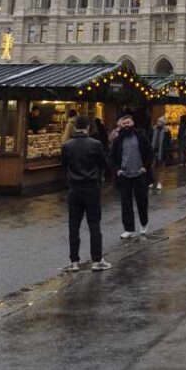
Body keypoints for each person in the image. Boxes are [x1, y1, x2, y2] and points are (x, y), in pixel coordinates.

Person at [61, 114, 111, 271]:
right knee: (94, 224)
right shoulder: (95, 144)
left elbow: (64, 165)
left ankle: (74, 261)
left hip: (74, 188)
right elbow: (104, 163)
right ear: (88, 127)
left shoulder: (67, 145)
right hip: (91, 187)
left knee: (73, 225)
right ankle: (97, 260)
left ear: (75, 127)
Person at [110, 114, 153, 238]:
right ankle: (129, 229)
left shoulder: (141, 136)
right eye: (124, 124)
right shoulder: (118, 139)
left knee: (142, 202)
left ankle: (144, 223)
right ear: (121, 125)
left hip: (139, 174)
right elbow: (112, 157)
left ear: (133, 123)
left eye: (128, 123)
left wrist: (145, 167)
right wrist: (117, 170)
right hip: (125, 175)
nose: (126, 125)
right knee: (126, 203)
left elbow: (150, 152)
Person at [151, 116, 172, 190]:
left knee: (161, 168)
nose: (158, 123)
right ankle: (152, 181)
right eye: (158, 121)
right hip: (153, 151)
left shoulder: (167, 131)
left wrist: (167, 151)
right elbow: (150, 138)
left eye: (160, 122)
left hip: (162, 152)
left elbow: (169, 143)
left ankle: (160, 182)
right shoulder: (153, 129)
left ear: (163, 123)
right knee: (152, 167)